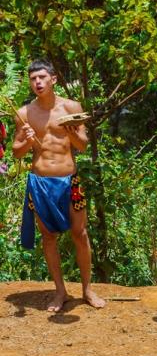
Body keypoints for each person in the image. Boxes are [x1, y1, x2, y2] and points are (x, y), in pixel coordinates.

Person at [12, 59, 105, 312]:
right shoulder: (24, 113)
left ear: (53, 79)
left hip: (69, 180)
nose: (37, 82)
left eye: (42, 77)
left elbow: (83, 145)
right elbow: (16, 153)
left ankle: (87, 289)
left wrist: (71, 130)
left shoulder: (71, 107)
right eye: (33, 79)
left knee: (80, 233)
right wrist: (29, 141)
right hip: (41, 182)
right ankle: (60, 292)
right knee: (49, 237)